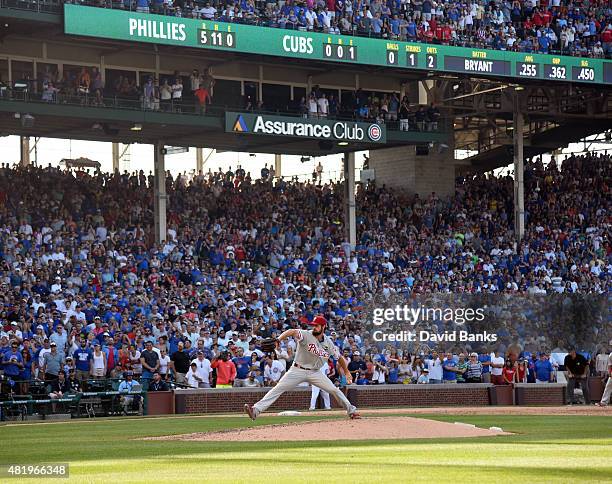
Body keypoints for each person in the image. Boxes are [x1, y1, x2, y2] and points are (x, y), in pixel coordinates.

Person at [244, 315, 360, 420]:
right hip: (297, 370)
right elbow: (291, 331)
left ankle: (351, 411)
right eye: (313, 325)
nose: (314, 328)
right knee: (278, 388)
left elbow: (339, 358)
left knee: (334, 390)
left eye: (317, 326)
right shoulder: (305, 334)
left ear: (324, 327)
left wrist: (347, 372)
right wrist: (279, 340)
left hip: (315, 372)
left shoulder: (329, 343)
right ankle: (255, 410)